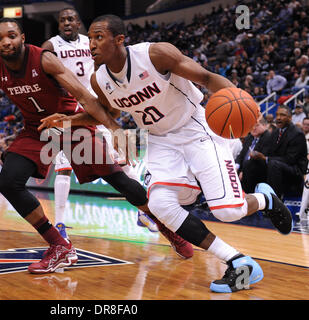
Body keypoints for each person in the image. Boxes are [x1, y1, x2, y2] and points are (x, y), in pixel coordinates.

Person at [42, 14, 294, 293]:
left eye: (98, 37)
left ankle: (264, 199)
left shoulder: (156, 55)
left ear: (119, 40)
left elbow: (207, 78)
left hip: (196, 129)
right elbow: (107, 114)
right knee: (160, 206)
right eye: (89, 38)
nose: (91, 44)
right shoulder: (100, 79)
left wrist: (246, 108)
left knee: (228, 212)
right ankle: (237, 261)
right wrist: (68, 120)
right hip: (161, 141)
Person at [0, 18, 193, 275]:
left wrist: (114, 128)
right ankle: (60, 246)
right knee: (8, 182)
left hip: (70, 124)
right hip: (37, 129)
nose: (5, 42)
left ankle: (168, 228)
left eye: (11, 36)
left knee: (118, 179)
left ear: (23, 38)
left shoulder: (45, 59)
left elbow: (83, 96)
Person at [40, 8, 152, 237]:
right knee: (64, 168)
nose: (67, 23)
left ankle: (144, 211)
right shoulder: (51, 46)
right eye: (62, 20)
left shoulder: (91, 41)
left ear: (79, 23)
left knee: (124, 160)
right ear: (58, 25)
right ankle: (59, 224)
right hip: (67, 109)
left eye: (71, 19)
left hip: (95, 105)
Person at [251, 105, 308, 198]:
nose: (278, 118)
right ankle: (252, 197)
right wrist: (259, 155)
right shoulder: (276, 132)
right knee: (253, 163)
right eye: (277, 115)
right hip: (280, 165)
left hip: (295, 170)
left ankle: (274, 202)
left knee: (273, 164)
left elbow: (290, 159)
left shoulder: (297, 134)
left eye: (282, 115)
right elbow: (270, 152)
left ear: (290, 118)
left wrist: (266, 158)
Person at [235, 117, 272, 193]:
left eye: (257, 125)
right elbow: (241, 155)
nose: (253, 128)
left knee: (249, 167)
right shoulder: (249, 138)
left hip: (258, 171)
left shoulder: (268, 138)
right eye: (251, 126)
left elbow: (260, 158)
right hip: (244, 170)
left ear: (265, 126)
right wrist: (236, 166)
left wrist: (243, 170)